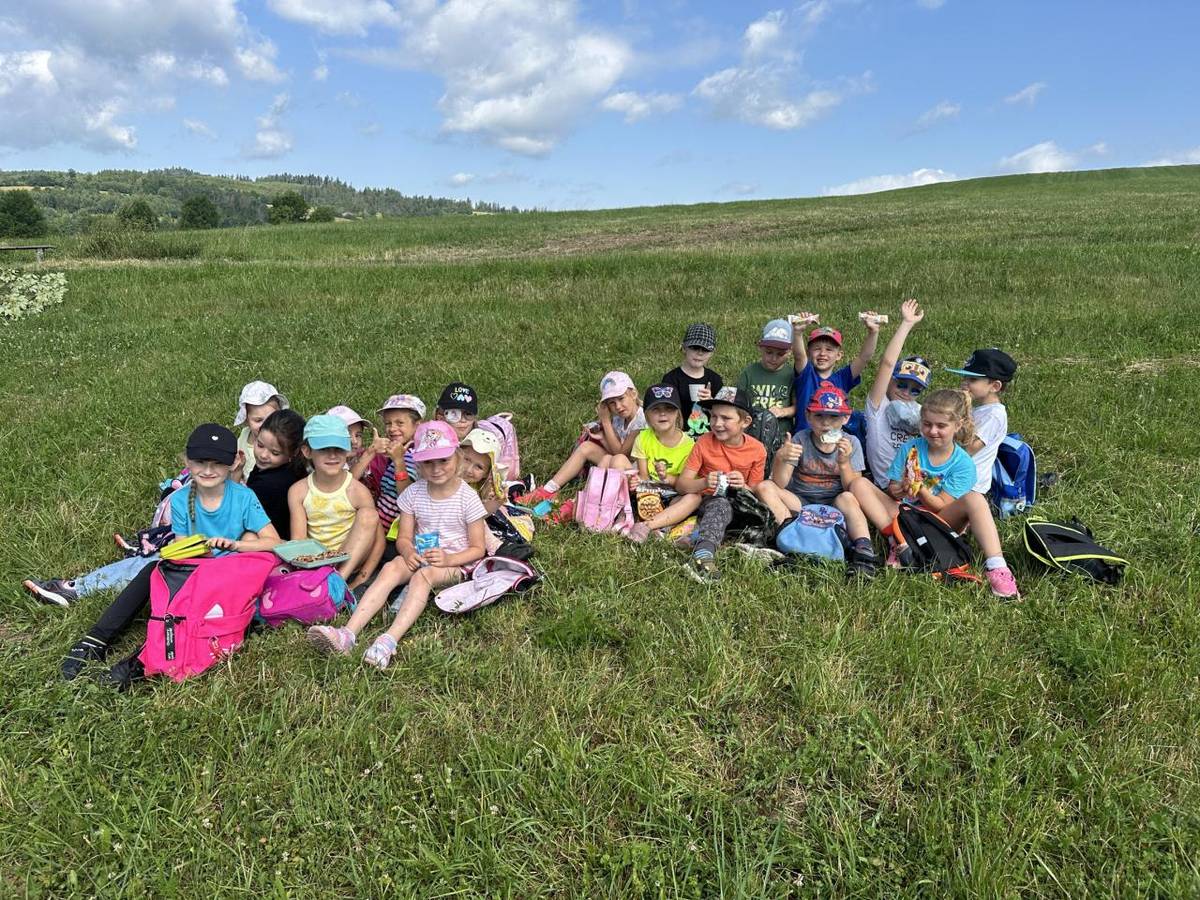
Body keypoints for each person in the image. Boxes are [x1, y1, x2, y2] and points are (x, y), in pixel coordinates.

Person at [58, 424, 282, 686]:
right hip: (196, 569)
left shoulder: (244, 497)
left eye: (217, 463)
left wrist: (236, 545)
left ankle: (138, 663)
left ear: (233, 462)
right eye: (200, 462)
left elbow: (274, 541)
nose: (208, 470)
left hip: (227, 578)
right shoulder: (180, 499)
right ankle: (95, 640)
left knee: (180, 610)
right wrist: (196, 552)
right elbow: (182, 551)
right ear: (187, 461)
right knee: (153, 572)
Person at [306, 421, 487, 669]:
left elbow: (478, 549)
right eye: (428, 462)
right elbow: (403, 538)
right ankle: (348, 633)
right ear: (418, 464)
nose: (436, 469)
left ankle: (389, 640)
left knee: (423, 576)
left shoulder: (468, 497)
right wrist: (408, 551)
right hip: (421, 555)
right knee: (391, 568)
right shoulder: (413, 494)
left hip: (457, 563)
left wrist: (448, 559)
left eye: (443, 460)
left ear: (458, 458)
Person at [849, 389, 1021, 599]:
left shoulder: (963, 463)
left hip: (940, 522)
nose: (932, 431)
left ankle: (997, 568)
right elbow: (892, 489)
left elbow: (940, 505)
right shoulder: (910, 448)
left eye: (941, 426)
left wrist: (920, 488)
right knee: (859, 484)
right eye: (927, 424)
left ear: (957, 425)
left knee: (976, 499)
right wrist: (901, 489)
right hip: (904, 514)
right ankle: (898, 542)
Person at [754, 383, 878, 577]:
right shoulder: (800, 440)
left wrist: (844, 463)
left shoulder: (851, 443)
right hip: (800, 502)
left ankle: (863, 551)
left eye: (834, 417)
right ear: (808, 416)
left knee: (848, 498)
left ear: (845, 418)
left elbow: (852, 488)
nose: (826, 423)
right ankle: (789, 537)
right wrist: (781, 459)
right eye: (819, 416)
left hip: (834, 504)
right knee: (764, 487)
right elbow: (780, 483)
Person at [673, 386, 766, 583]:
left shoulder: (757, 450)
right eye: (713, 416)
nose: (717, 423)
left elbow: (756, 492)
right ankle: (702, 554)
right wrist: (704, 482)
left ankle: (748, 544)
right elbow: (682, 485)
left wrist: (743, 485)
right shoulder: (704, 442)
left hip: (740, 506)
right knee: (720, 505)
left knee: (761, 516)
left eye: (726, 418)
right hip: (710, 501)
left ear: (745, 422)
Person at [520, 371, 645, 507]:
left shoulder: (642, 419)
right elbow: (615, 451)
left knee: (614, 459)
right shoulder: (619, 418)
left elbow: (621, 453)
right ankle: (548, 489)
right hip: (621, 463)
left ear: (633, 394)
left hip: (637, 472)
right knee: (586, 447)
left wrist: (605, 421)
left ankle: (588, 501)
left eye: (621, 399)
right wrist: (602, 438)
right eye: (612, 403)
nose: (618, 406)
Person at [287, 415, 377, 587]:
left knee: (369, 515)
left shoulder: (357, 491)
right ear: (307, 451)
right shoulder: (298, 491)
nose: (333, 455)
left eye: (339, 448)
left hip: (351, 560)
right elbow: (299, 540)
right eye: (323, 449)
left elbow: (375, 536)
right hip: (316, 561)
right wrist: (307, 566)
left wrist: (363, 576)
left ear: (347, 450)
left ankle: (338, 581)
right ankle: (324, 577)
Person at [862, 300, 929, 487]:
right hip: (887, 487)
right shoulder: (878, 406)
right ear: (890, 381)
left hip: (920, 486)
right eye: (901, 385)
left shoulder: (922, 412)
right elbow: (887, 364)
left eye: (915, 390)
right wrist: (907, 323)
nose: (906, 392)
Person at [626, 384, 698, 541]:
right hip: (647, 494)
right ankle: (640, 521)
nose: (663, 413)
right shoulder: (643, 438)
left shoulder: (690, 445)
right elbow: (644, 477)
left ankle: (649, 526)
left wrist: (666, 477)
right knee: (619, 464)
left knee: (694, 498)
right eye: (656, 409)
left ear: (678, 413)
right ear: (646, 415)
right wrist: (636, 481)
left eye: (669, 408)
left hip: (673, 496)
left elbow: (684, 485)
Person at [788, 314, 881, 436]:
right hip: (804, 440)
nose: (822, 353)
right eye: (817, 349)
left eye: (829, 349)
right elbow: (799, 356)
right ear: (808, 353)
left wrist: (873, 332)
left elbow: (864, 358)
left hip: (832, 440)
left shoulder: (842, 378)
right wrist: (797, 333)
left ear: (839, 355)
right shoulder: (806, 375)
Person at [946, 348, 1017, 495]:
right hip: (956, 477)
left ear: (995, 386)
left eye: (972, 380)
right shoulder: (980, 409)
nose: (964, 383)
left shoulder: (994, 415)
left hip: (969, 485)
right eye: (965, 378)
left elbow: (969, 449)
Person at [245, 409, 307, 537]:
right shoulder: (294, 467)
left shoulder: (270, 484)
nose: (263, 455)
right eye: (260, 445)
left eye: (275, 453)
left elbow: (239, 513)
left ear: (294, 453)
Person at [662, 323, 724, 438]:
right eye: (695, 348)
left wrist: (711, 402)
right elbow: (666, 411)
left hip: (710, 438)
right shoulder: (671, 379)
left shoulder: (715, 379)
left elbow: (724, 414)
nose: (699, 353)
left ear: (711, 353)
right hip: (680, 437)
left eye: (705, 350)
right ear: (684, 348)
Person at [736, 318, 797, 433]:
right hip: (752, 433)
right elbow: (738, 405)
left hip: (781, 434)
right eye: (769, 352)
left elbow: (798, 408)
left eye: (780, 354)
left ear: (790, 352)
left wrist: (783, 411)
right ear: (760, 347)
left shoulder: (791, 374)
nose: (774, 358)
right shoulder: (749, 373)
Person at [231, 380, 290, 482]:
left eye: (270, 418)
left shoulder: (281, 439)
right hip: (247, 482)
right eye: (258, 420)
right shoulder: (245, 434)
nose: (265, 425)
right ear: (246, 420)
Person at [459, 428, 509, 514]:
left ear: (487, 474)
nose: (468, 469)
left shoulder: (477, 493)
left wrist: (494, 503)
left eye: (479, 467)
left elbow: (476, 517)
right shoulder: (443, 476)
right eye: (466, 459)